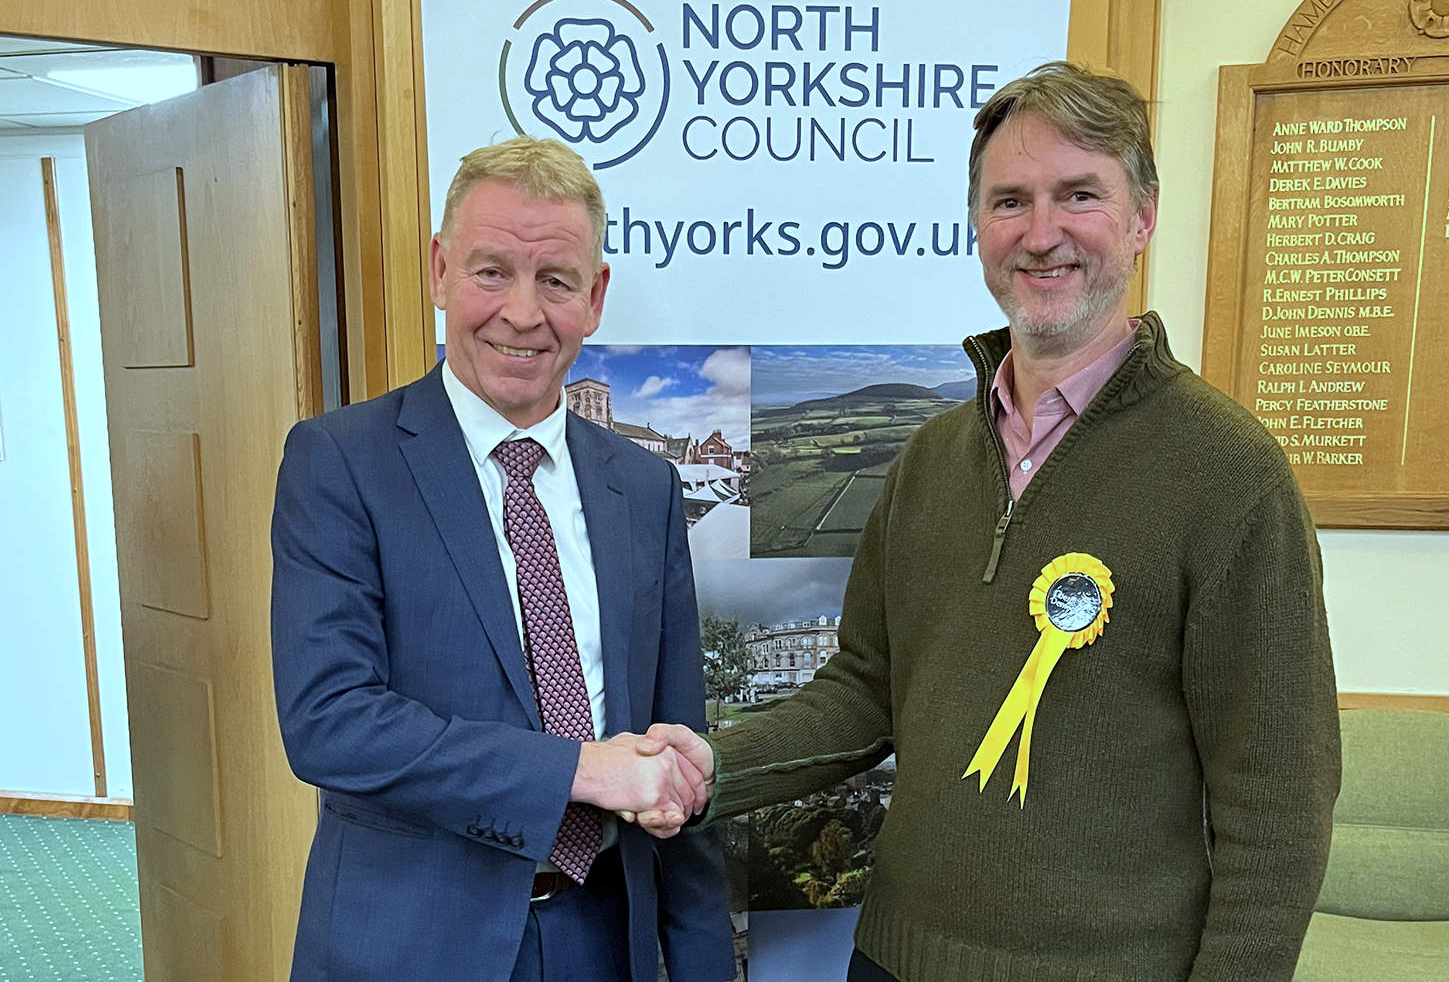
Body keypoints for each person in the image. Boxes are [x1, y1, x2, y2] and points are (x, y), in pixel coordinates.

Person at [641, 62, 1340, 981]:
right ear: (977, 226)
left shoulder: (1227, 472)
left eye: (1078, 195)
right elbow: (863, 694)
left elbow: (1277, 795)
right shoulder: (929, 459)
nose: (1040, 234)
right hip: (892, 960)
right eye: (1009, 200)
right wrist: (706, 768)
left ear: (1141, 217)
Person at [270, 136, 733, 982]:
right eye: (491, 272)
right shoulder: (340, 461)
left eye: (554, 280)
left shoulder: (645, 485)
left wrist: (701, 964)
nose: (522, 313)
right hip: (409, 944)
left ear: (593, 296)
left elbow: (676, 748)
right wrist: (579, 770)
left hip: (604, 938)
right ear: (440, 269)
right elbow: (328, 722)